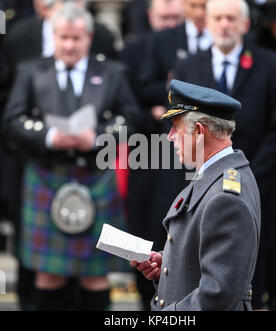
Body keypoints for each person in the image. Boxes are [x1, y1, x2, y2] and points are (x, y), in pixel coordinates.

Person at [2, 3, 140, 311]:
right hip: (46, 176)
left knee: (96, 275)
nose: (69, 45)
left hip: (95, 177)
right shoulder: (31, 71)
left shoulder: (112, 73)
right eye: (63, 37)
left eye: (76, 38)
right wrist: (51, 137)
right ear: (54, 35)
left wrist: (98, 137)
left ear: (88, 37)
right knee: (48, 274)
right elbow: (11, 121)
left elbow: (132, 120)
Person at [173, 0, 276, 309]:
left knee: (250, 276)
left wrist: (242, 171)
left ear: (245, 25)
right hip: (203, 178)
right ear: (206, 23)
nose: (224, 24)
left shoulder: (272, 64)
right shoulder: (187, 66)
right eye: (218, 18)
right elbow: (184, 131)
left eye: (230, 18)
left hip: (256, 182)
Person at [131, 79, 261, 311]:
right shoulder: (222, 174)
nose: (170, 136)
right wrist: (170, 265)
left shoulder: (225, 197)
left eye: (176, 128)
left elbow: (217, 294)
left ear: (200, 132)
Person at [119, 0, 185, 311]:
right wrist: (154, 115)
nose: (170, 24)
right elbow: (127, 98)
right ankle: (149, 300)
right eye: (164, 18)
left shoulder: (191, 48)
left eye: (176, 17)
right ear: (150, 17)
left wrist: (164, 110)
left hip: (181, 155)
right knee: (146, 226)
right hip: (144, 152)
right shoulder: (133, 51)